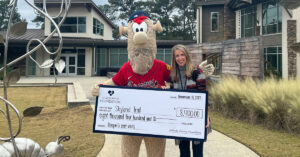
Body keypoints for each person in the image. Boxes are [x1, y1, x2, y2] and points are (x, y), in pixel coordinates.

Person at [170, 44, 210, 157]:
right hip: (180, 119)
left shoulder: (197, 72)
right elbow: (172, 98)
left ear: (186, 55)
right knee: (184, 152)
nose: (180, 58)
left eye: (182, 54)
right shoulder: (173, 75)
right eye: (177, 56)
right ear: (174, 58)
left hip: (197, 118)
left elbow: (204, 96)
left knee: (197, 152)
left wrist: (206, 117)